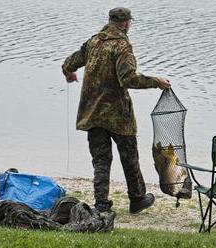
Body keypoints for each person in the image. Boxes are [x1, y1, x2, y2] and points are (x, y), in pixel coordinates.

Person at [62, 7, 171, 214]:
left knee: (100, 160)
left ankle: (101, 204)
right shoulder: (122, 46)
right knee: (129, 156)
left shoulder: (94, 42)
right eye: (130, 22)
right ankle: (137, 198)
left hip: (92, 113)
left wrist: (69, 73)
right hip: (118, 115)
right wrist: (155, 81)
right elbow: (128, 79)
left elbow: (70, 63)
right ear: (126, 23)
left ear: (111, 21)